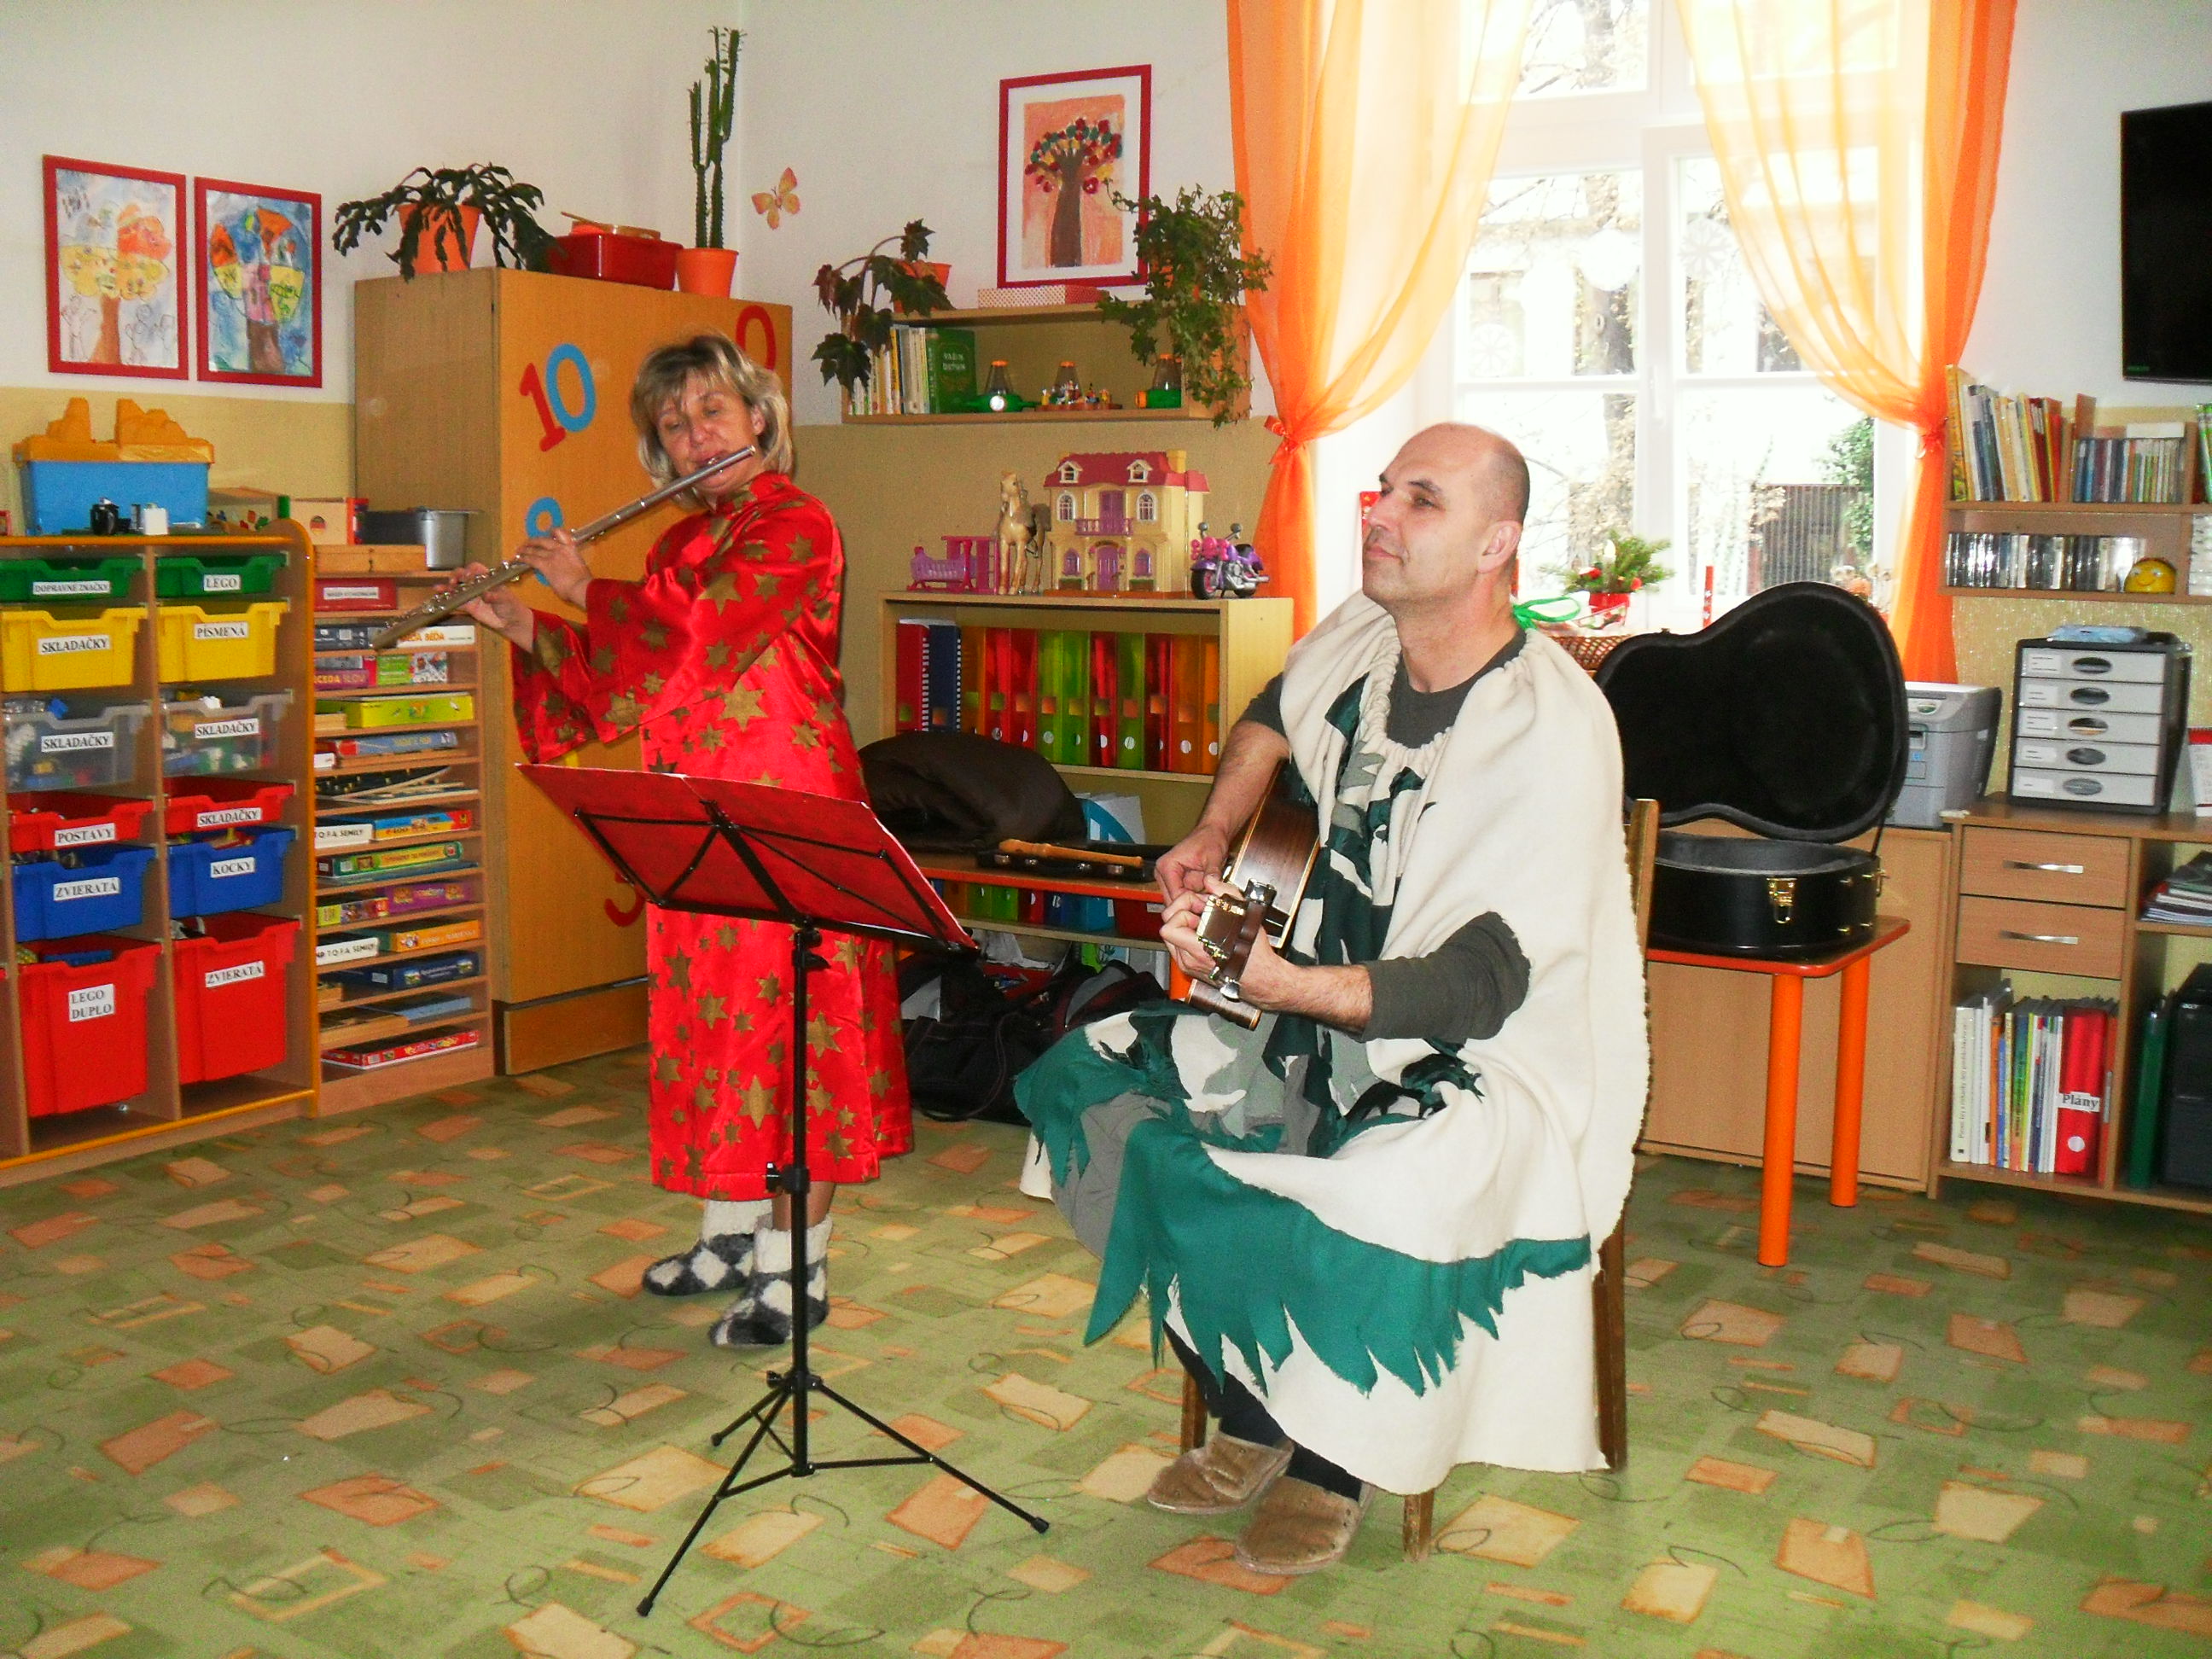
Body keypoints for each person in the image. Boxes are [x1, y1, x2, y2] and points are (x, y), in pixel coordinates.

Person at [1016, 422, 1647, 1575]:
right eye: (1382, 491)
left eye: (1421, 500)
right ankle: (1251, 1403)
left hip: (1463, 1061)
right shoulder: (1363, 638)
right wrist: (1217, 830)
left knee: (1379, 1182)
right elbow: (1273, 711)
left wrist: (1289, 984)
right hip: (1294, 1018)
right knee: (1090, 1084)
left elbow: (1482, 982)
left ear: (1496, 543)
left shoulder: (1552, 729)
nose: (1379, 515)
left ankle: (1330, 1458)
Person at [455, 333, 911, 1348]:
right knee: (719, 1030)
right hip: (699, 818)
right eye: (675, 424)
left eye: (713, 411)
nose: (697, 435)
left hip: (791, 816)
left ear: (759, 418)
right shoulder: (673, 549)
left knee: (799, 1044)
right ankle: (730, 1234)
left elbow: (699, 632)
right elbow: (629, 684)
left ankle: (797, 1270)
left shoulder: (796, 525)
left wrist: (583, 588)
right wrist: (523, 623)